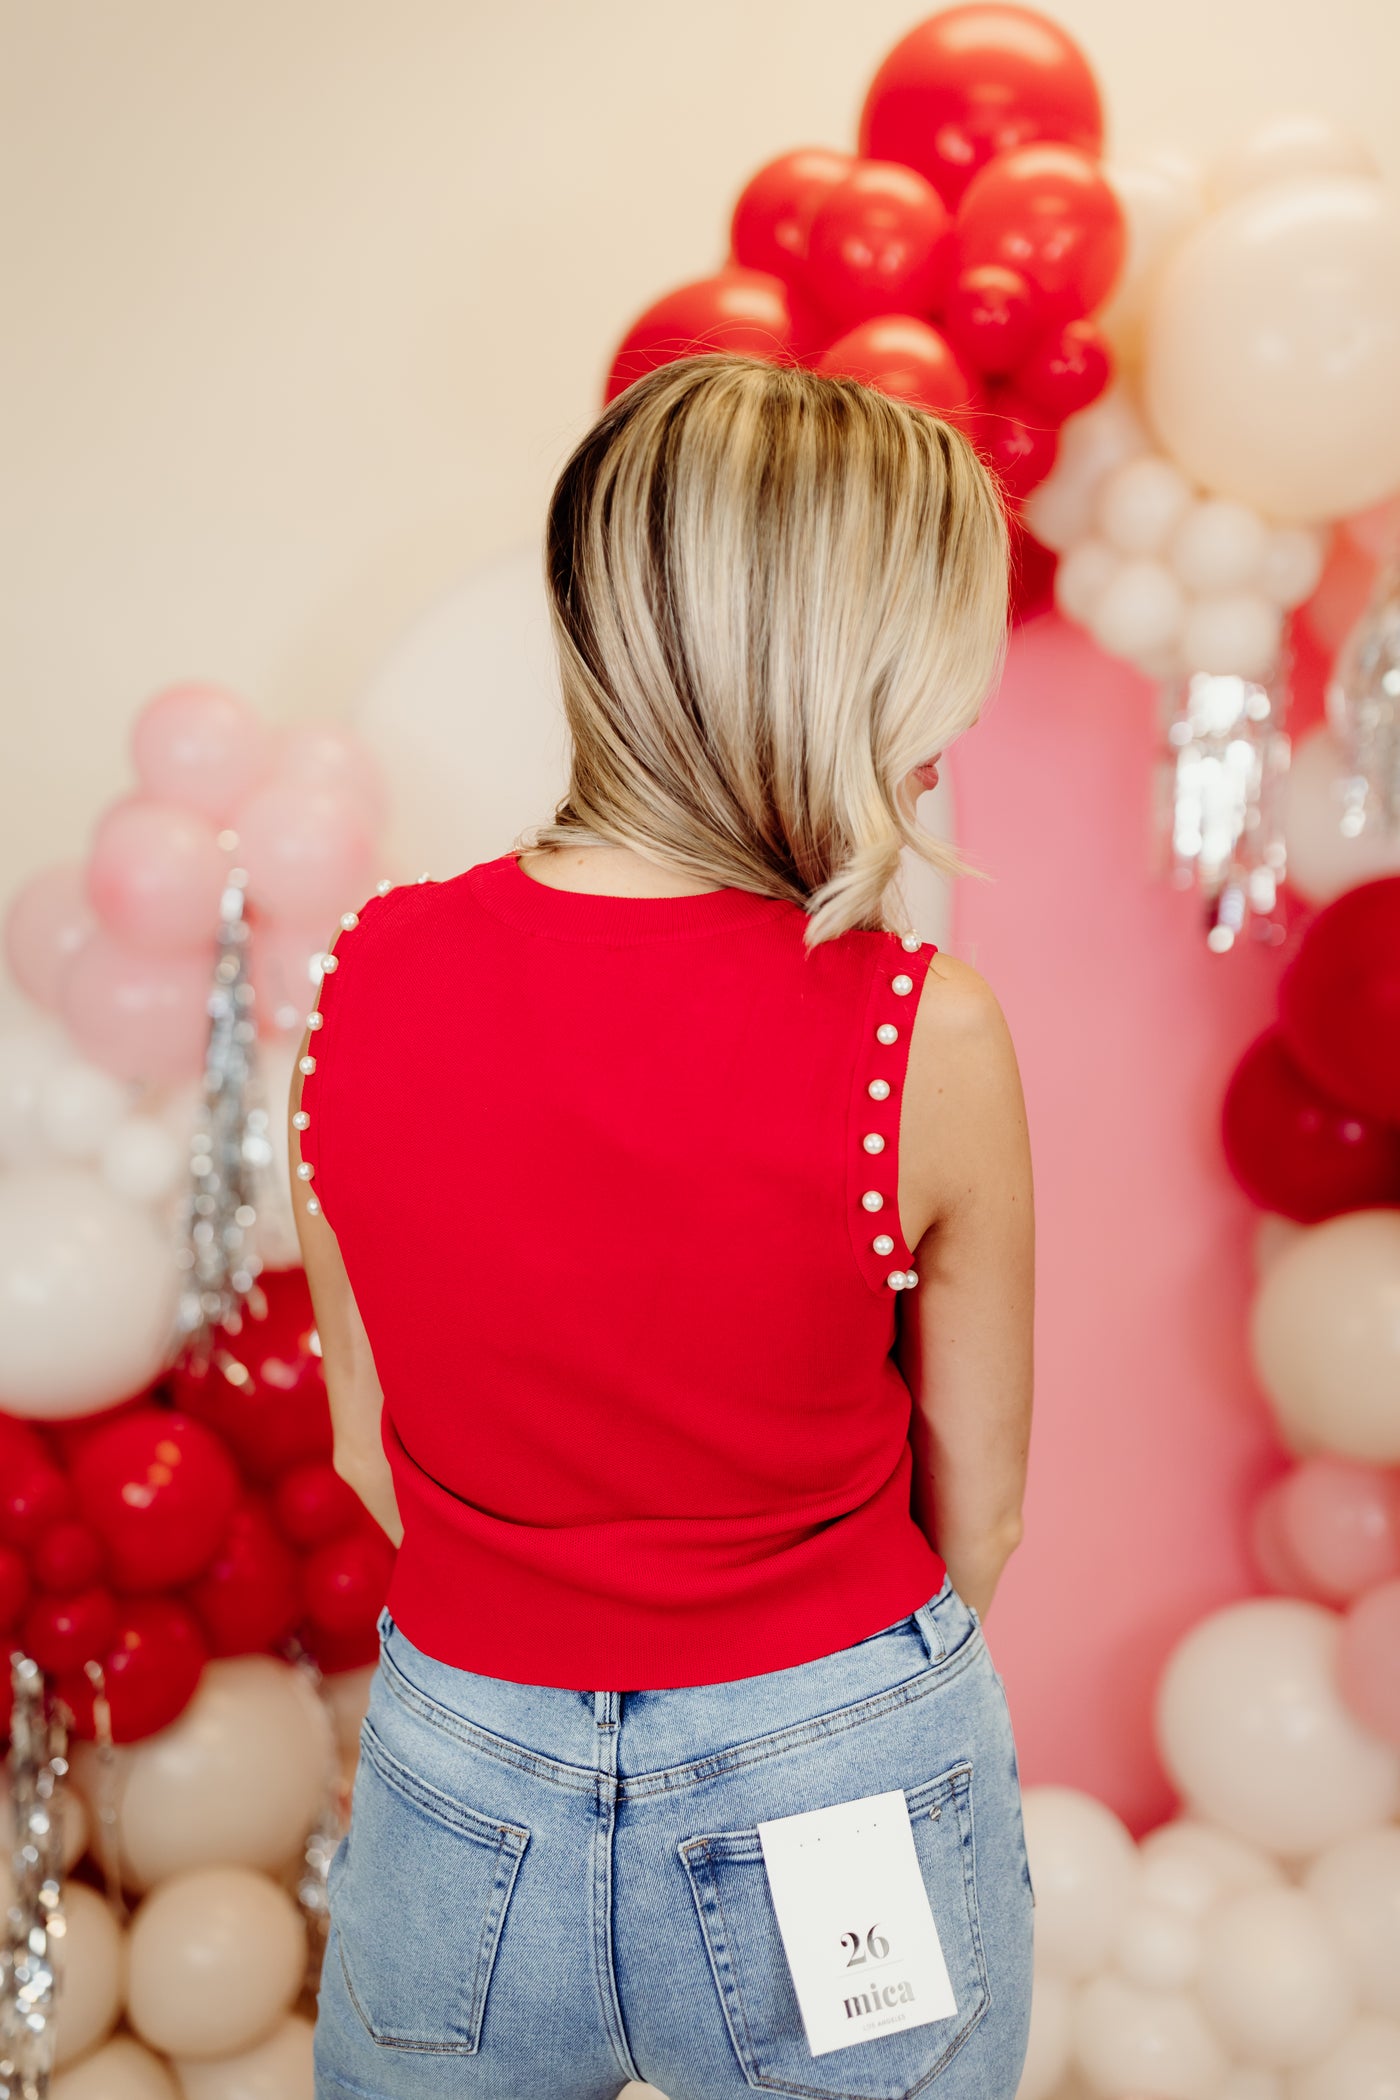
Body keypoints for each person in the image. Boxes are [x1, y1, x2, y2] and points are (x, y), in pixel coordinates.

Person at [292, 352, 1035, 2100]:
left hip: (460, 1759)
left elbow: (362, 1445)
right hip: (830, 1752)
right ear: (834, 673)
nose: (948, 737)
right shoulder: (922, 1029)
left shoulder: (363, 971)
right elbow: (980, 1511)